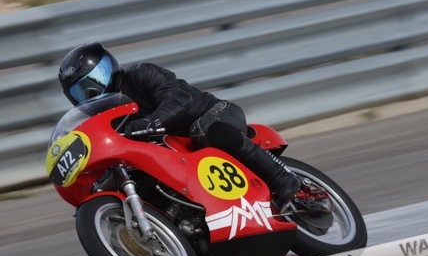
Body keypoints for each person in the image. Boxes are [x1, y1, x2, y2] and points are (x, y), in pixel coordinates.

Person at [57, 42, 314, 209]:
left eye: (94, 80)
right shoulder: (105, 118)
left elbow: (177, 98)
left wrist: (152, 121)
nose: (91, 93)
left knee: (203, 129)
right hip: (181, 154)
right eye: (81, 92)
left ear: (108, 68)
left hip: (214, 114)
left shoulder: (140, 74)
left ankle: (283, 180)